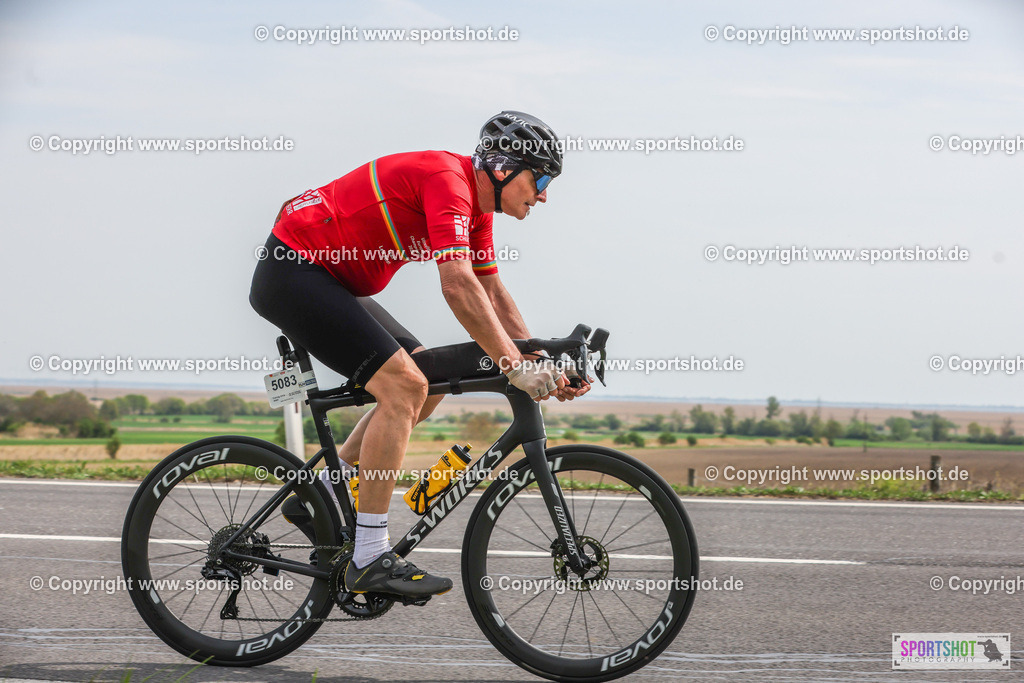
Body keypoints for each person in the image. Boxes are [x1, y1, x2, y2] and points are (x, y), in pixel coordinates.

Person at [249, 111, 590, 600]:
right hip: (295, 271)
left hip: (329, 279)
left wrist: (540, 360)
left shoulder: (476, 210)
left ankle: (319, 494)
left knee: (426, 379)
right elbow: (458, 286)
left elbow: (490, 289)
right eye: (540, 179)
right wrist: (514, 366)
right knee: (404, 386)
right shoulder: (447, 182)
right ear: (502, 168)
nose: (543, 195)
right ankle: (369, 557)